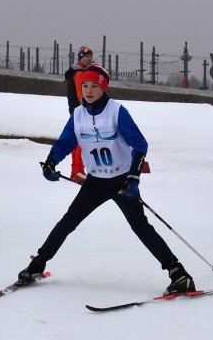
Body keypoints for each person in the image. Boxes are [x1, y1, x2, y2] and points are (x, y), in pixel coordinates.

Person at [16, 65, 195, 295]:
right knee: (68, 222)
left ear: (103, 87)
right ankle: (37, 264)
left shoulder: (116, 111)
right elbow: (65, 143)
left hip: (120, 182)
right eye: (84, 86)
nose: (88, 91)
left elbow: (140, 144)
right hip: (95, 182)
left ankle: (178, 273)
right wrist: (51, 162)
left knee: (140, 227)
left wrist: (133, 177)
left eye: (94, 86)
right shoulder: (78, 115)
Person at [64, 46, 95, 181]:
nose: (89, 59)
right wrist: (88, 108)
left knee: (80, 140)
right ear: (80, 58)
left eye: (90, 57)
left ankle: (78, 170)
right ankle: (77, 171)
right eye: (86, 57)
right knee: (79, 141)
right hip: (80, 110)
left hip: (78, 110)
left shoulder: (82, 72)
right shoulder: (78, 73)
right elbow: (80, 94)